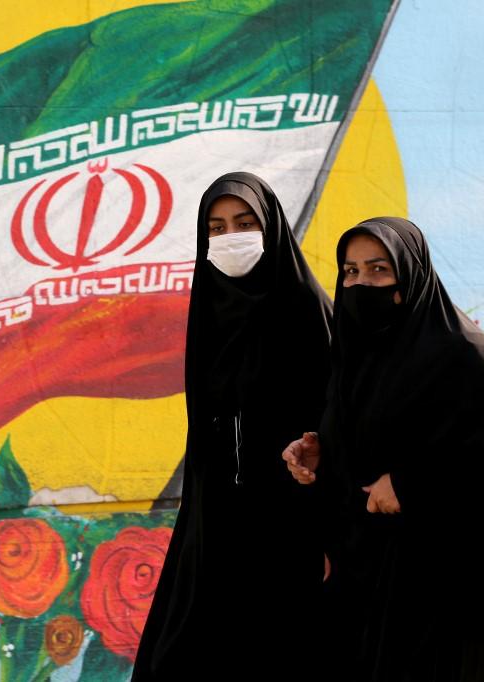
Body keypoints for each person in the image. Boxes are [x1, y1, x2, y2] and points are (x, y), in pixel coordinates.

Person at [284, 217, 484, 682]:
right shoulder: (354, 353)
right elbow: (367, 436)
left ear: (411, 276)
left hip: (446, 575)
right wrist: (320, 451)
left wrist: (410, 485)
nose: (361, 283)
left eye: (379, 269)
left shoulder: (466, 353)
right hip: (368, 569)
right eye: (351, 272)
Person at [132, 172, 333, 681]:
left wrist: (331, 532)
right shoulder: (210, 311)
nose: (230, 238)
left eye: (245, 223)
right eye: (216, 229)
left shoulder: (309, 311)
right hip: (218, 516)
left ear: (273, 229)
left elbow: (343, 419)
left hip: (292, 523)